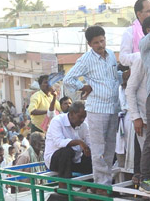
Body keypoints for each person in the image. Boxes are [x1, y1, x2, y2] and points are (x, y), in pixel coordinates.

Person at [63, 26, 123, 184]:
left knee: (110, 146)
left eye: (102, 40)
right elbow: (68, 79)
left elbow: (114, 77)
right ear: (90, 44)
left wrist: (125, 76)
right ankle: (100, 183)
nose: (100, 45)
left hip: (113, 106)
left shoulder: (110, 55)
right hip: (97, 109)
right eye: (96, 42)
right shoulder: (86, 59)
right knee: (98, 149)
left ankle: (107, 180)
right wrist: (83, 86)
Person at [44, 101, 93, 180]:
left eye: (84, 117)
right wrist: (79, 142)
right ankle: (63, 185)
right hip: (56, 160)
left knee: (91, 153)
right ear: (72, 113)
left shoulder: (84, 126)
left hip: (75, 160)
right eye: (80, 117)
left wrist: (88, 149)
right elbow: (59, 142)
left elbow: (89, 143)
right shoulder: (57, 121)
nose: (82, 120)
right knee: (66, 151)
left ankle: (88, 186)